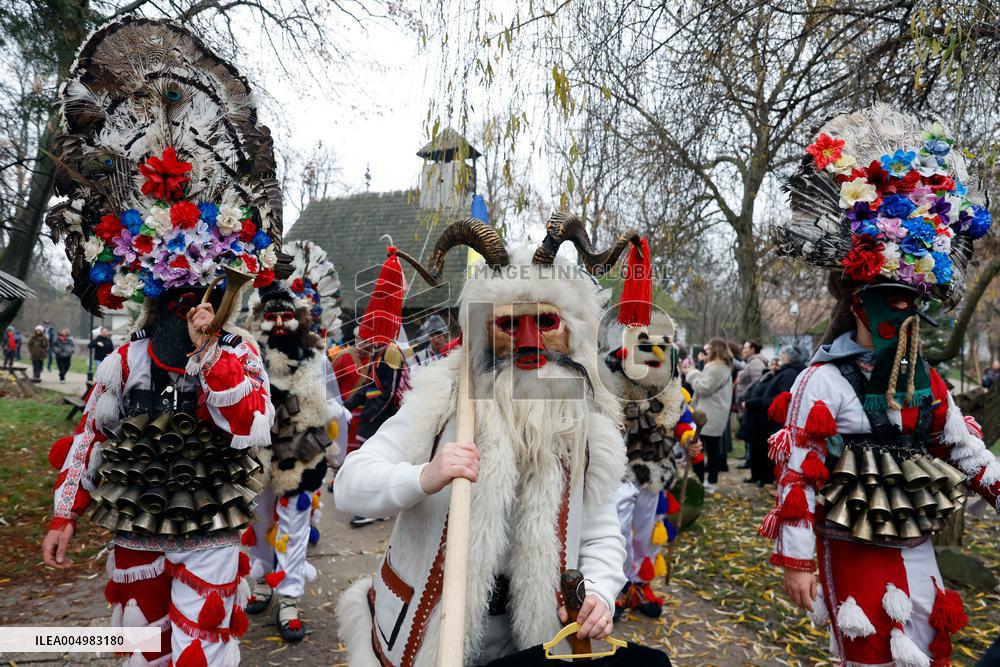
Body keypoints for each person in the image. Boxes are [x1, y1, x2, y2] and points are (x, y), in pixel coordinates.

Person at [40, 16, 282, 665]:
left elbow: (252, 426)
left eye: (195, 298)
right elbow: (92, 433)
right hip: (138, 533)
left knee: (200, 654)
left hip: (209, 533)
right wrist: (66, 513)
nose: (185, 311)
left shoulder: (238, 354)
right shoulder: (128, 359)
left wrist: (209, 356)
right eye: (172, 300)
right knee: (140, 652)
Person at [334, 215, 670, 666]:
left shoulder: (586, 421)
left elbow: (601, 534)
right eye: (510, 327)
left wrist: (603, 595)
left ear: (571, 329)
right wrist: (424, 477)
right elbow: (350, 486)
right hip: (427, 634)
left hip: (535, 642)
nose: (530, 342)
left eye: (546, 321)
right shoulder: (444, 394)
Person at [763, 105, 1000, 666]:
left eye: (910, 298)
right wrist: (797, 561)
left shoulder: (929, 381)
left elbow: (966, 451)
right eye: (886, 295)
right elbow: (799, 471)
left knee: (929, 646)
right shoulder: (822, 381)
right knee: (874, 652)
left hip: (919, 546)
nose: (901, 309)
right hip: (854, 547)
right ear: (853, 299)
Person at [243, 275, 338, 642]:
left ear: (298, 317)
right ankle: (265, 581)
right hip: (258, 454)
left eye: (286, 316)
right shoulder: (248, 356)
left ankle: (289, 600)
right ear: (261, 318)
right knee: (261, 524)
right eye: (272, 316)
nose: (280, 323)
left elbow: (334, 408)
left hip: (301, 457)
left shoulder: (316, 357)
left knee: (295, 530)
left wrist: (335, 453)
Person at [606, 310, 700, 620]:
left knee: (647, 527)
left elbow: (682, 417)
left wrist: (689, 439)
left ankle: (640, 584)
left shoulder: (671, 379)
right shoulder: (612, 373)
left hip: (656, 468)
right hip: (619, 467)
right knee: (616, 525)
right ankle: (615, 587)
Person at [742, 346, 806, 487]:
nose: (781, 355)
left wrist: (761, 402)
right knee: (759, 448)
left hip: (773, 418)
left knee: (768, 451)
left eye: (784, 353)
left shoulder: (789, 373)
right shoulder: (784, 371)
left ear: (791, 357)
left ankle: (767, 478)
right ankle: (760, 476)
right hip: (766, 416)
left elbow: (781, 396)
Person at [683, 338, 733, 493]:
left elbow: (703, 388)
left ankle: (704, 481)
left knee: (700, 449)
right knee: (711, 450)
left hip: (708, 415)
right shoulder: (722, 367)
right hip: (713, 414)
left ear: (715, 350)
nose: (705, 353)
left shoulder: (715, 367)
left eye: (708, 350)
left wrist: (691, 373)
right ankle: (709, 481)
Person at [735, 340, 769, 470]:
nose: (742, 350)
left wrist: (744, 395)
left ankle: (749, 460)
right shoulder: (750, 362)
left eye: (745, 348)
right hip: (744, 404)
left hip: (748, 404)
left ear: (753, 349)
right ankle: (747, 457)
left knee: (749, 432)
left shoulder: (755, 363)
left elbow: (757, 381)